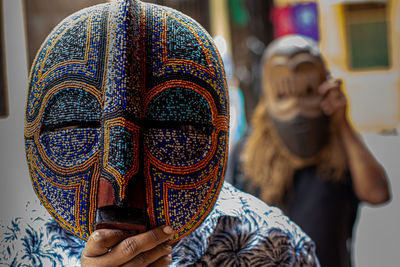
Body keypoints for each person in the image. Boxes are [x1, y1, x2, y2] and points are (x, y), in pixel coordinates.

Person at [1, 1, 319, 266]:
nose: (122, 175)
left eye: (171, 128)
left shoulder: (274, 249)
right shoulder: (16, 249)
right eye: (75, 127)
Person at [227, 34, 391, 267]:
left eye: (307, 91)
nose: (296, 107)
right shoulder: (247, 151)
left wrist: (342, 122)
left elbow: (377, 193)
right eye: (283, 94)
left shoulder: (338, 145)